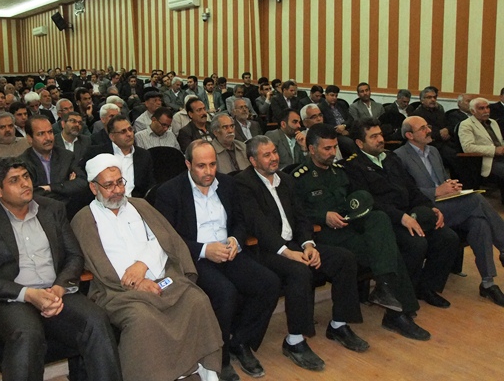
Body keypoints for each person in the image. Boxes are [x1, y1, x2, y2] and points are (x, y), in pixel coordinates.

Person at [0, 158, 122, 381]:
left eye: (26, 177)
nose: (24, 184)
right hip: (12, 300)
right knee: (27, 334)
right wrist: (27, 294)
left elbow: (74, 256)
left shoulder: (52, 209)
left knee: (96, 320)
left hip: (56, 293)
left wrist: (59, 288)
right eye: (14, 181)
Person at [72, 154, 223, 381]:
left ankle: (205, 370)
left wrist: (143, 265)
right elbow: (98, 262)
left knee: (197, 300)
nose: (117, 190)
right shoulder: (84, 219)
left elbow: (163, 239)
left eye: (120, 182)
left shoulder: (140, 205)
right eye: (109, 185)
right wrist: (136, 282)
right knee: (143, 320)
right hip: (117, 291)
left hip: (162, 278)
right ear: (94, 188)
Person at [236, 136, 367, 372]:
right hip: (264, 249)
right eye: (267, 155)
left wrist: (308, 245)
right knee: (299, 271)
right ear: (253, 160)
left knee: (343, 258)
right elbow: (258, 225)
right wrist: (288, 252)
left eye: (275, 152)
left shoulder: (286, 180)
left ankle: (338, 325)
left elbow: (302, 217)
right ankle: (294, 341)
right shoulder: (244, 184)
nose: (274, 158)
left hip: (295, 244)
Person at [292, 123, 430, 340]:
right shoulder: (299, 177)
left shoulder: (340, 172)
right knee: (386, 249)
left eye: (334, 147)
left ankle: (387, 291)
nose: (332, 153)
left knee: (379, 218)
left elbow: (354, 202)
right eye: (327, 148)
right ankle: (396, 310)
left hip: (349, 227)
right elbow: (295, 214)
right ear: (311, 149)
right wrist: (323, 216)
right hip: (324, 234)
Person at [155, 141, 280, 381]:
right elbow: (169, 239)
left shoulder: (228, 184)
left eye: (213, 164)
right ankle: (219, 358)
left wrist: (235, 240)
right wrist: (204, 250)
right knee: (225, 293)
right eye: (201, 166)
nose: (209, 171)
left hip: (228, 251)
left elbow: (241, 221)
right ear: (188, 164)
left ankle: (240, 341)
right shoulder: (169, 192)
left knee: (269, 283)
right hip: (195, 258)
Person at [345, 119, 459, 308]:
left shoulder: (390, 158)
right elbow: (371, 203)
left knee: (448, 238)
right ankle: (399, 295)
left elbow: (411, 188)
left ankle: (426, 287)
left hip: (409, 214)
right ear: (359, 143)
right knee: (416, 244)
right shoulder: (353, 166)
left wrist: (430, 206)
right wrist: (401, 217)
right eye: (373, 137)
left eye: (380, 135)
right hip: (385, 221)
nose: (380, 139)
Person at [396, 116, 504, 306]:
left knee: (480, 223)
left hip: (448, 204)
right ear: (409, 135)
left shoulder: (433, 151)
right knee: (477, 200)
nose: (429, 130)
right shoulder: (400, 156)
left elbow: (442, 179)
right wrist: (436, 191)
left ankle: (488, 283)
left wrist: (451, 186)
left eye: (428, 125)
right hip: (425, 209)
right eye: (423, 128)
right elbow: (404, 192)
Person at [22, 115, 88, 218]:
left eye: (50, 132)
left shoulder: (66, 156)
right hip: (39, 215)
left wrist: (50, 187)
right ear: (30, 138)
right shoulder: (23, 162)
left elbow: (82, 183)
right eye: (41, 134)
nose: (48, 138)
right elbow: (33, 194)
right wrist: (66, 187)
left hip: (69, 213)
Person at [80, 115, 155, 198]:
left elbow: (149, 185)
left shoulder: (143, 155)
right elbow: (84, 178)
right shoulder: (97, 153)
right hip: (105, 201)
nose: (129, 134)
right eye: (123, 131)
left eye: (130, 129)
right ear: (112, 136)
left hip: (134, 201)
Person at [458, 97, 504, 203]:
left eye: (487, 107)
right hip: (485, 160)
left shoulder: (493, 122)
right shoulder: (466, 125)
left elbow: (500, 141)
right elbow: (468, 147)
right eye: (481, 108)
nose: (486, 111)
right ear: (473, 111)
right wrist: (494, 150)